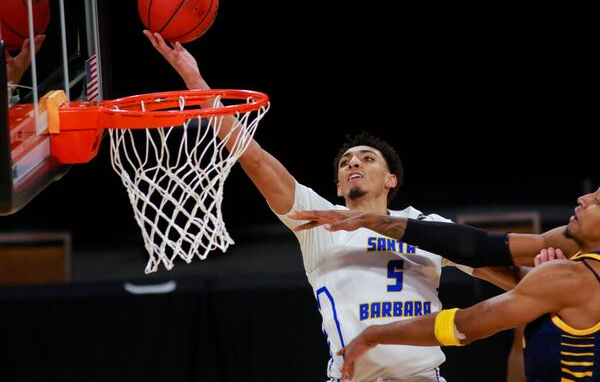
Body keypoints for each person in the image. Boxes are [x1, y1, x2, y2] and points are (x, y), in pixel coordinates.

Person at [142, 30, 570, 381]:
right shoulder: (316, 218)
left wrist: (550, 279)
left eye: (367, 158)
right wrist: (197, 84)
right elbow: (251, 156)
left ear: (390, 180)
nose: (354, 164)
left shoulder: (424, 225)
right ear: (337, 183)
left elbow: (507, 278)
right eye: (347, 162)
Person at [289, 188, 600, 381]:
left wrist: (373, 334)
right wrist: (372, 221)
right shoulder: (566, 268)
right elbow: (479, 247)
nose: (583, 198)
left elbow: (464, 325)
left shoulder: (569, 278)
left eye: (597, 200)